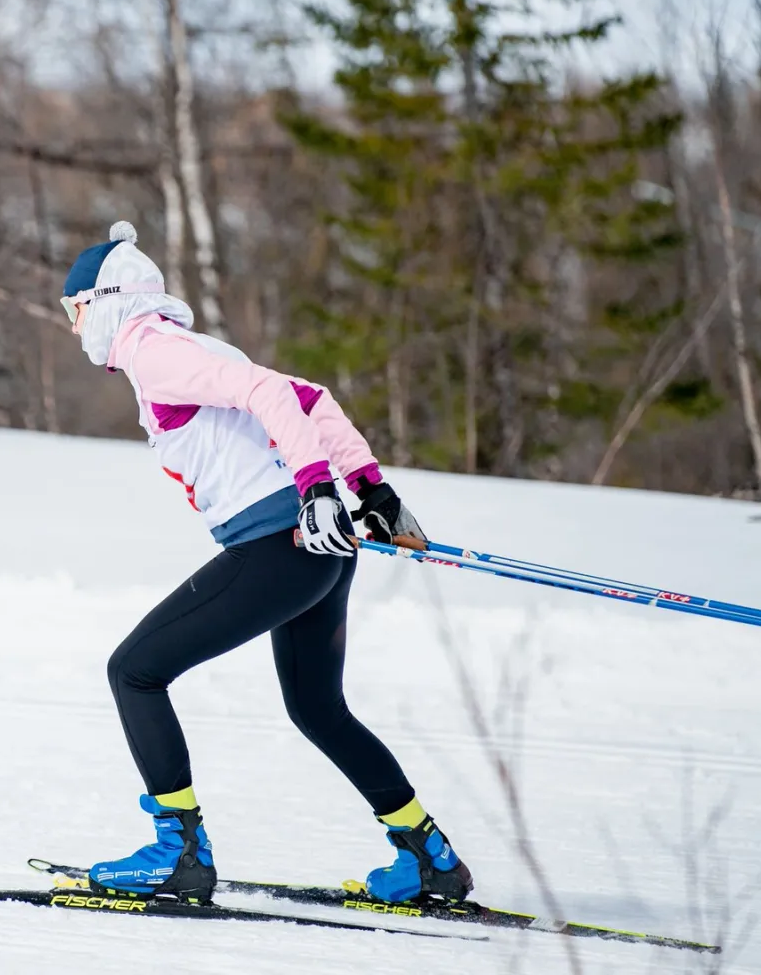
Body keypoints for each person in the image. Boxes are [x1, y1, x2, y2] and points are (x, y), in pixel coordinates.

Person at [61, 221, 470, 906]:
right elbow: (311, 397)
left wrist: (316, 489)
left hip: (281, 545)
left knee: (133, 672)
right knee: (317, 708)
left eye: (74, 311)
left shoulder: (155, 350)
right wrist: (371, 491)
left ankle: (179, 851)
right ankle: (429, 858)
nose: (75, 329)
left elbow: (276, 398)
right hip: (314, 553)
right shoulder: (191, 346)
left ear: (105, 302)